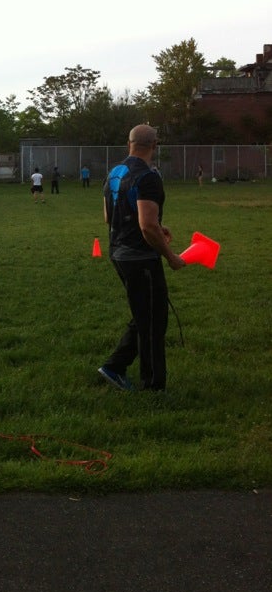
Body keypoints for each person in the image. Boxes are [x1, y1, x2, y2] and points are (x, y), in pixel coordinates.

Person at [98, 124, 186, 392]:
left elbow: (108, 216)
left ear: (129, 143)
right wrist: (170, 256)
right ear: (155, 146)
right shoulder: (148, 177)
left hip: (118, 253)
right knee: (153, 322)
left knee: (145, 312)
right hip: (140, 259)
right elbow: (147, 226)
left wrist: (159, 226)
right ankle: (153, 387)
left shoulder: (115, 172)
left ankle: (114, 366)